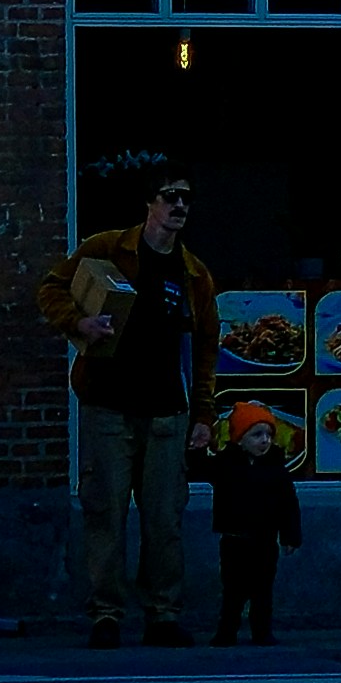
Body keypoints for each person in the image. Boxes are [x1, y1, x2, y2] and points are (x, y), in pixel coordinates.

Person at [41, 167, 218, 649]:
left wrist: (202, 415)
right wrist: (79, 323)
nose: (179, 206)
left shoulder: (194, 273)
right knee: (105, 512)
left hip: (166, 410)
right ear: (150, 204)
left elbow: (205, 349)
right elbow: (50, 288)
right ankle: (106, 614)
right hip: (108, 405)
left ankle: (162, 613)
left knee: (165, 518)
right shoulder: (108, 248)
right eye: (170, 196)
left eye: (186, 198)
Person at [206, 401, 303, 648]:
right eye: (256, 435)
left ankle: (262, 631)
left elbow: (288, 503)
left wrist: (290, 535)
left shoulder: (275, 468)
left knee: (262, 589)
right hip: (234, 538)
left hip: (264, 538)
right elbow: (203, 469)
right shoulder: (226, 463)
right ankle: (227, 631)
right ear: (240, 438)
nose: (264, 441)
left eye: (268, 435)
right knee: (232, 590)